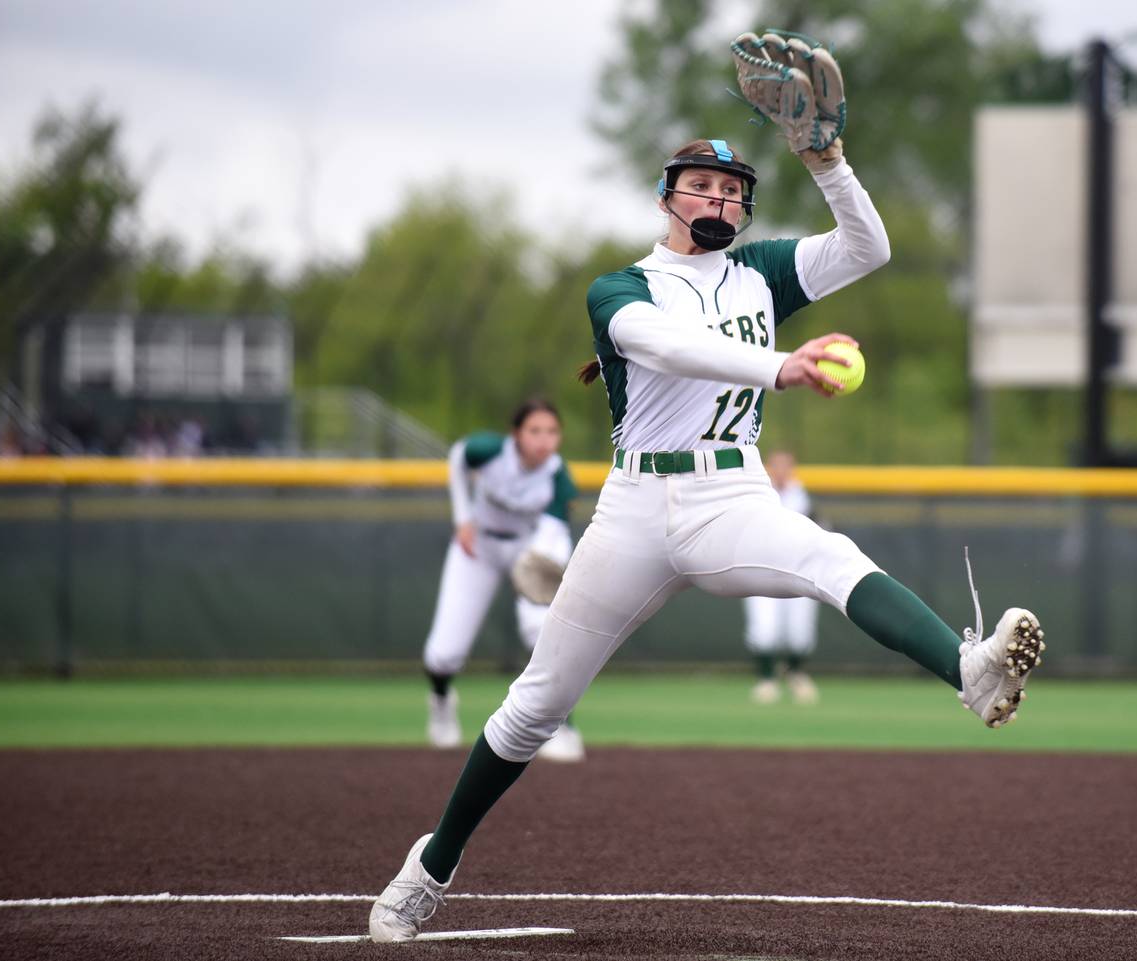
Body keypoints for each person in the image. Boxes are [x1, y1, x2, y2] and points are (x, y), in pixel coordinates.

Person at [369, 35, 1045, 943]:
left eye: (734, 190)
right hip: (638, 511)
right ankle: (431, 864)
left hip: (731, 498)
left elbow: (868, 246)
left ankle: (970, 671)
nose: (720, 198)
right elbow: (665, 346)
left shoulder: (759, 272)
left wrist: (829, 160)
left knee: (829, 556)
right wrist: (778, 367)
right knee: (535, 706)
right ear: (666, 197)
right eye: (703, 186)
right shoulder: (624, 286)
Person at [420, 399, 583, 763]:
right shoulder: (489, 451)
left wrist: (533, 573)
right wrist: (462, 517)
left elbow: (553, 537)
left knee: (544, 635)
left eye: (552, 431)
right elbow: (459, 456)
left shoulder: (558, 476)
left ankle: (562, 728)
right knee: (444, 653)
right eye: (535, 431)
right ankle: (442, 700)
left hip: (527, 550)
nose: (544, 440)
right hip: (477, 547)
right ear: (516, 435)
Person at [745, 450, 821, 705]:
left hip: (800, 571)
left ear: (792, 468)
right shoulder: (757, 493)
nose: (780, 470)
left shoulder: (804, 498)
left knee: (800, 631)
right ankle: (767, 679)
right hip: (762, 569)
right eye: (775, 465)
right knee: (764, 628)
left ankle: (795, 673)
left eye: (784, 465)